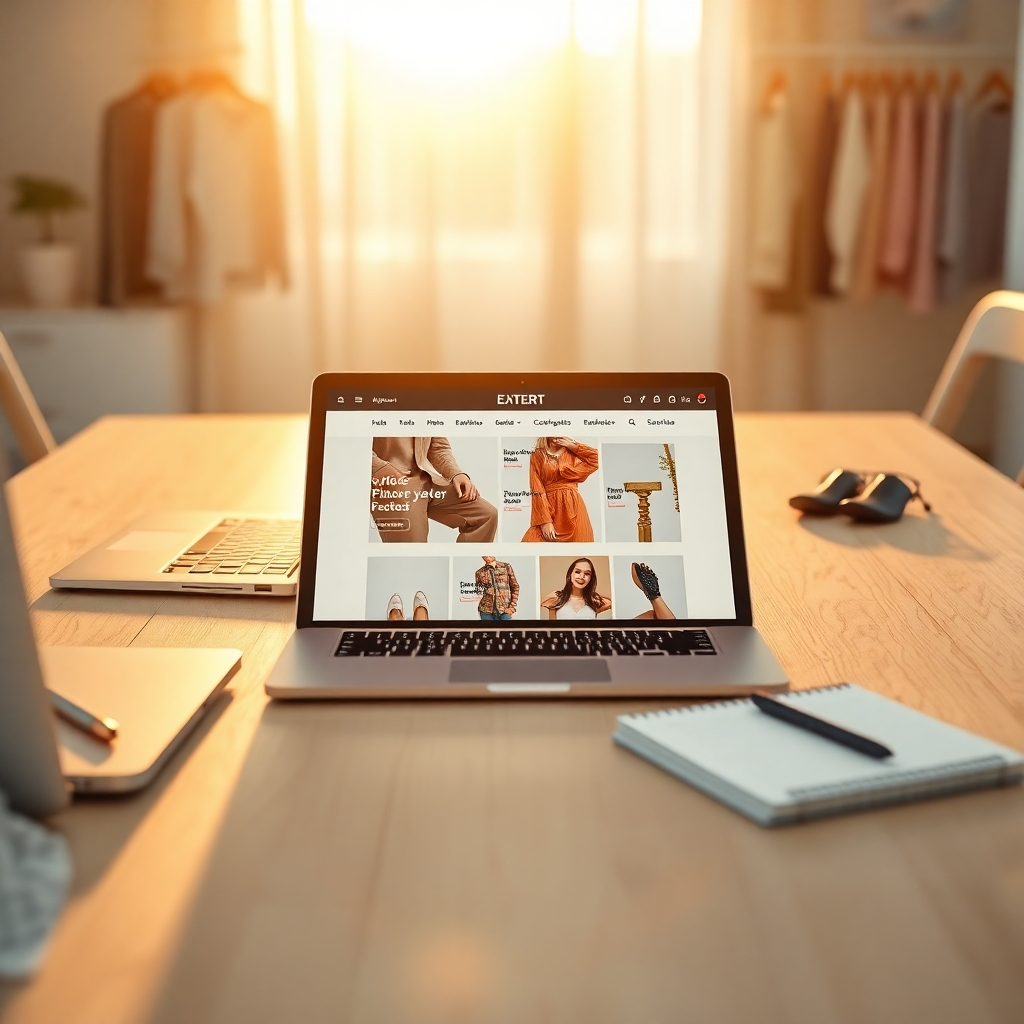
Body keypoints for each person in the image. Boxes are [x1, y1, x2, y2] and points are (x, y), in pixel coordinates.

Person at [371, 437, 497, 543]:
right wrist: (378, 468)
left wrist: (456, 474)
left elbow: (438, 448)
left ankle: (466, 569)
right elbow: (357, 443)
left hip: (426, 478)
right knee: (413, 551)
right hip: (391, 484)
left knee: (485, 515)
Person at [521, 436, 599, 543]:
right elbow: (537, 489)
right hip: (549, 509)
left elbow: (597, 459)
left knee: (579, 547)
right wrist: (545, 521)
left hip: (573, 507)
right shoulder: (538, 455)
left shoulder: (571, 452)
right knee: (529, 542)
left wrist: (573, 446)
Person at [541, 557, 611, 620]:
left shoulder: (594, 600)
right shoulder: (557, 597)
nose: (581, 577)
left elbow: (615, 602)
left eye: (587, 574)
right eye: (577, 572)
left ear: (591, 578)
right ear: (570, 574)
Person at [475, 555, 519, 620]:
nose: (487, 556)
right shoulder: (479, 572)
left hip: (504, 610)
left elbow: (515, 587)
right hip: (486, 611)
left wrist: (512, 607)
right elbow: (478, 591)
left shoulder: (506, 567)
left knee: (507, 629)